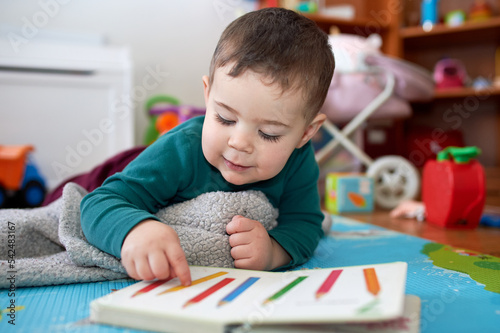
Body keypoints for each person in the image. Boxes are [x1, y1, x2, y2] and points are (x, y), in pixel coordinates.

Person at [80, 7, 335, 286]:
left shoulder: (298, 160)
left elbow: (306, 223)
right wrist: (136, 231)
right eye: (225, 118)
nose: (238, 143)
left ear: (305, 133)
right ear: (208, 94)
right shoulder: (180, 149)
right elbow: (98, 202)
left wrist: (274, 252)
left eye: (268, 133)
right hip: (124, 167)